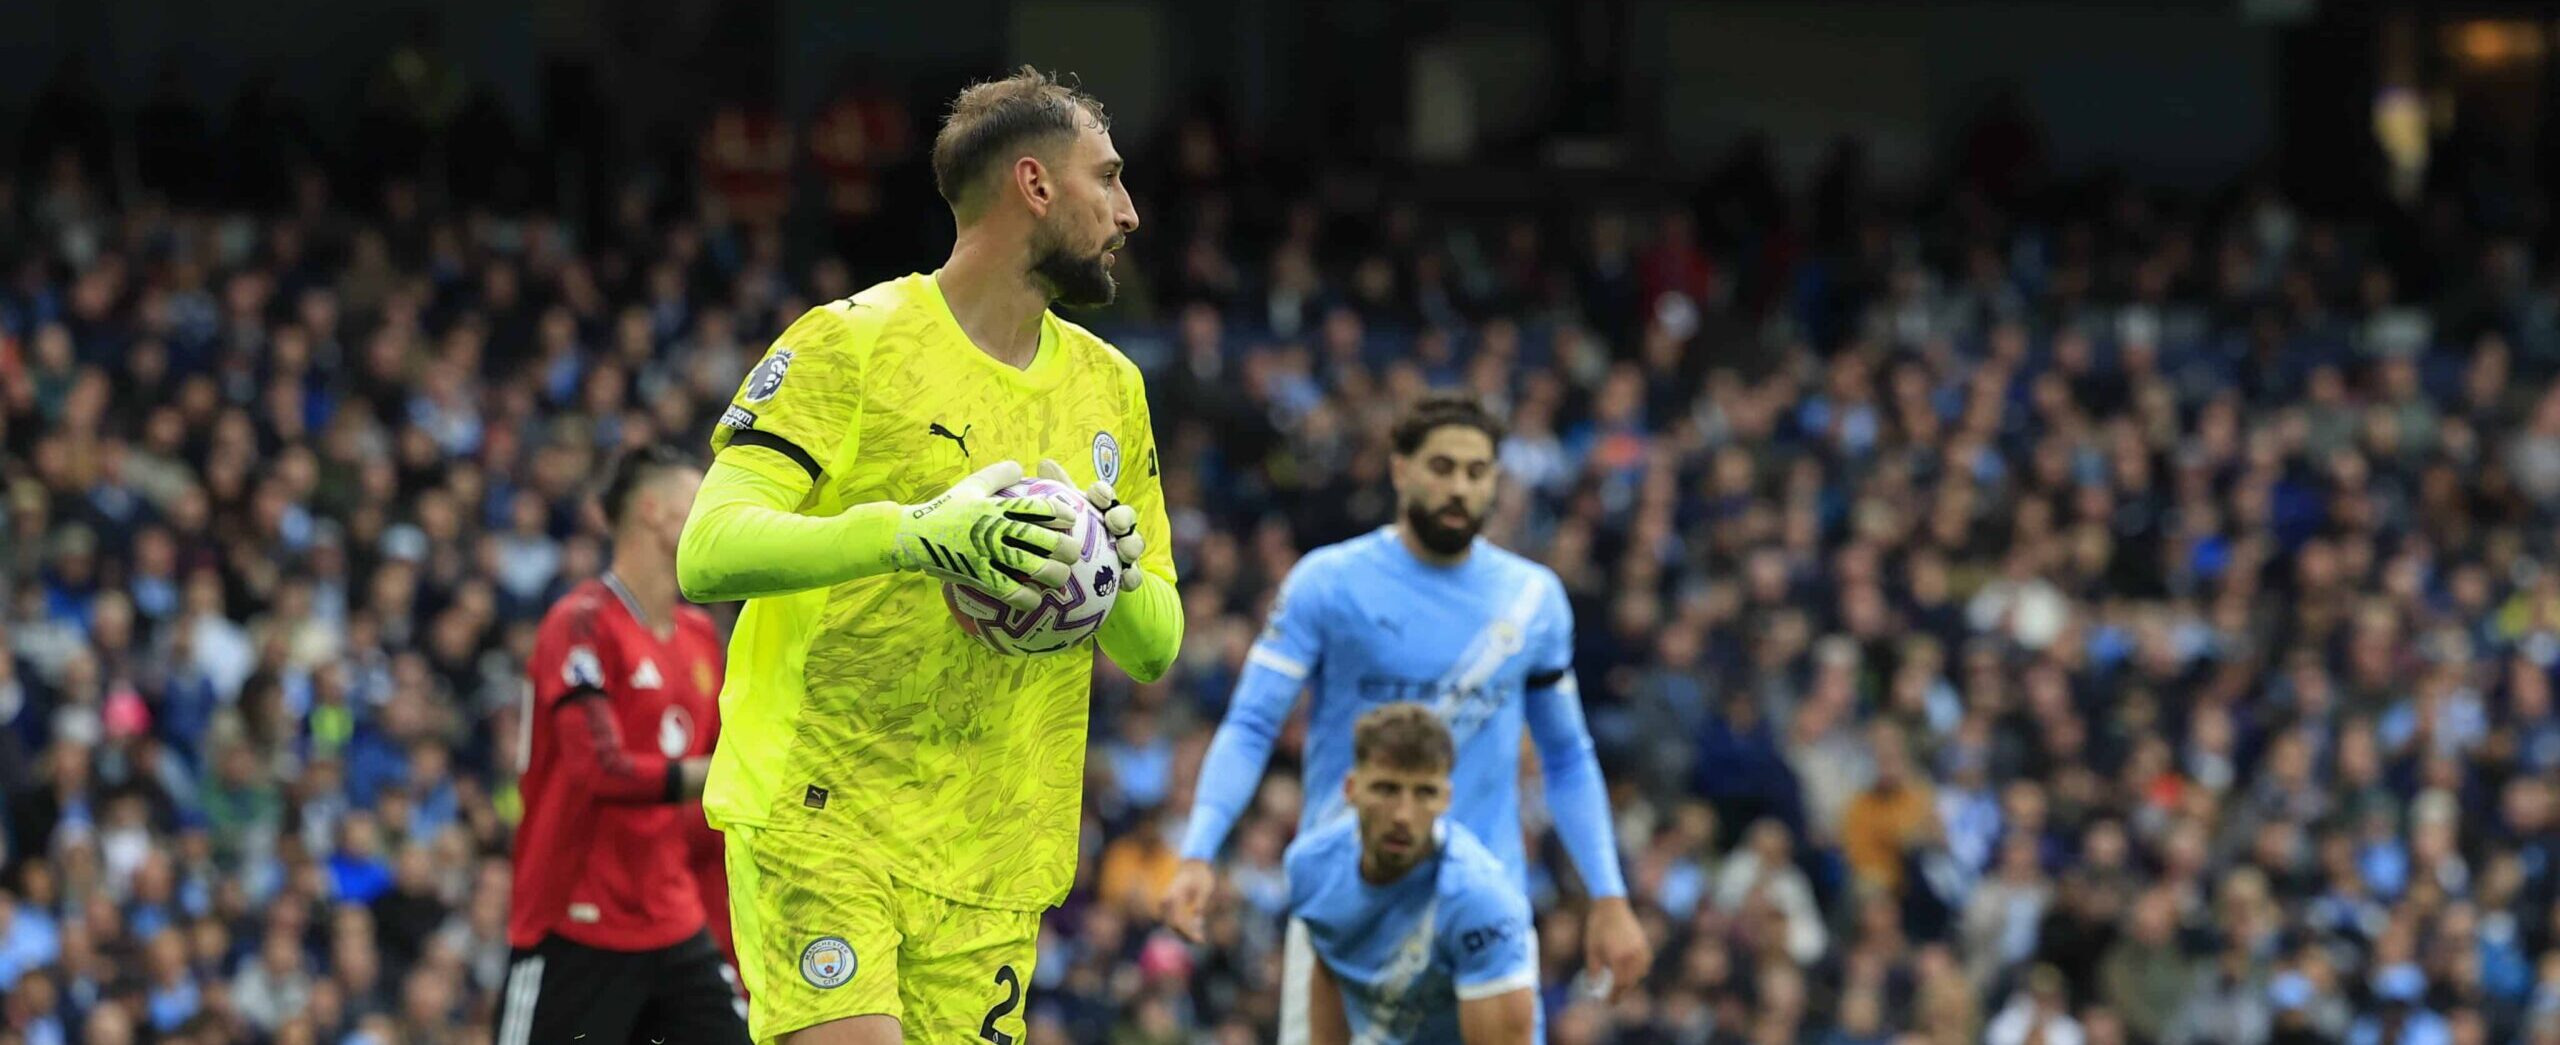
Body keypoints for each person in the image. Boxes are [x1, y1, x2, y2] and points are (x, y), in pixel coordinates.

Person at [675, 66, 1182, 1045]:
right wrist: (913, 535)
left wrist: (1112, 571)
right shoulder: (850, 345)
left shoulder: (1110, 387)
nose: (1128, 211)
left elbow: (1155, 645)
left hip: (995, 851)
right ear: (1035, 184)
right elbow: (708, 547)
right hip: (828, 810)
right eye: (1109, 177)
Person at [1161, 392, 1650, 1042]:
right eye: (1442, 467)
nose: (1460, 487)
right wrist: (1199, 849)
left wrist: (1608, 895)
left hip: (1482, 909)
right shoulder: (1328, 583)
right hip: (1346, 902)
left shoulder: (1533, 601)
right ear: (1400, 469)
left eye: (1477, 472)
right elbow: (1252, 723)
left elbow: (1567, 757)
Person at [498, 444, 747, 1045]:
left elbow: (722, 772)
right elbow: (599, 768)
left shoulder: (699, 635)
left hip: (671, 916)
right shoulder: (580, 623)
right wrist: (723, 772)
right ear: (654, 512)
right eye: (698, 500)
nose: (713, 514)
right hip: (577, 918)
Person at [1286, 703, 1538, 1044]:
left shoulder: (1480, 901)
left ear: (1446, 799)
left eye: (1424, 793)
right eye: (1386, 789)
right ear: (1351, 789)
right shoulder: (1312, 869)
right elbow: (1332, 967)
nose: (1403, 815)